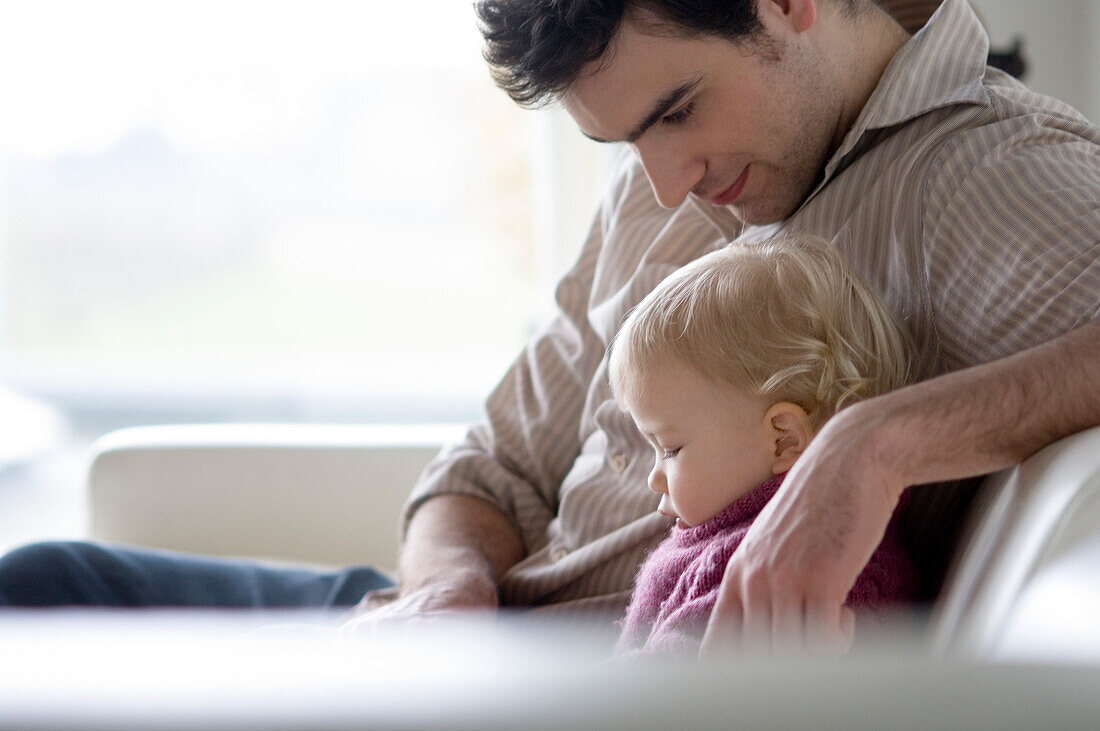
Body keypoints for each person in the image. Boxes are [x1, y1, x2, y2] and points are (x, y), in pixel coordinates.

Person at [2, 0, 1097, 658]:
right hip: (456, 646)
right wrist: (445, 586)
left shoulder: (990, 181)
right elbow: (487, 468)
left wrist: (879, 440)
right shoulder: (666, 183)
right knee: (45, 585)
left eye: (674, 110)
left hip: (603, 678)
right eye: (626, 141)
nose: (667, 187)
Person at [609, 235, 918, 657]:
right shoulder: (728, 538)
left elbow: (670, 697)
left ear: (784, 439)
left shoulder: (788, 564)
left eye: (671, 448)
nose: (653, 477)